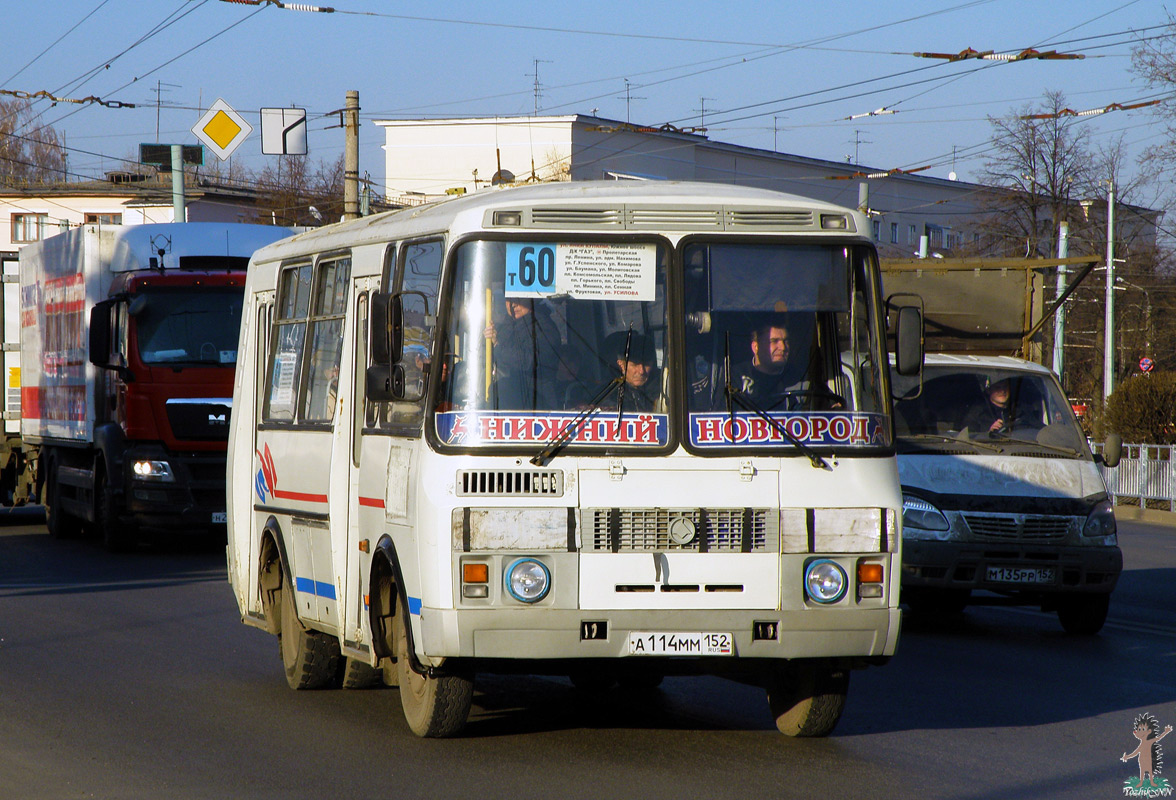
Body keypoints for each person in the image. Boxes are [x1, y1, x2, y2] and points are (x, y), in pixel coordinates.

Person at [483, 296, 559, 409]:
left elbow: (529, 361)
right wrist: (485, 343)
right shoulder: (504, 327)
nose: (513, 304)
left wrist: (497, 345)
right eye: (509, 299)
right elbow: (484, 362)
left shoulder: (544, 327)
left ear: (531, 299)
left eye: (518, 299)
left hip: (537, 404)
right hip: (504, 402)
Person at [722, 320, 807, 410]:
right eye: (774, 341)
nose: (783, 347)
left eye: (786, 341)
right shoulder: (735, 376)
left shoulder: (799, 378)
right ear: (756, 347)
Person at [962, 377, 1039, 436]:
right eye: (997, 387)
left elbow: (1040, 431)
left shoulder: (1022, 410)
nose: (1002, 391)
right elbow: (968, 439)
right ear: (989, 390)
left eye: (1005, 387)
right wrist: (988, 434)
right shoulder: (978, 413)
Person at [609, 332, 659, 412]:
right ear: (621, 365)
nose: (641, 371)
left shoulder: (664, 389)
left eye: (646, 364)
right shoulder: (608, 395)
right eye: (635, 365)